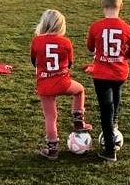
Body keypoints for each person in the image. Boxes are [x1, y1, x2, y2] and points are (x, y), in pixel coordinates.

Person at [86, 0, 130, 162]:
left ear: (102, 4)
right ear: (121, 5)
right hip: (119, 73)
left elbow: (90, 48)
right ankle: (115, 121)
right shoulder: (126, 28)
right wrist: (122, 55)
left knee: (105, 111)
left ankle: (109, 149)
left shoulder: (96, 26)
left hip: (101, 74)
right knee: (116, 98)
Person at [30, 9, 92, 160]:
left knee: (50, 117)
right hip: (63, 82)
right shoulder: (65, 42)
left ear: (43, 24)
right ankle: (78, 121)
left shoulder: (37, 41)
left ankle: (52, 149)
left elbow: (34, 62)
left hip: (45, 84)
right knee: (79, 90)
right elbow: (69, 63)